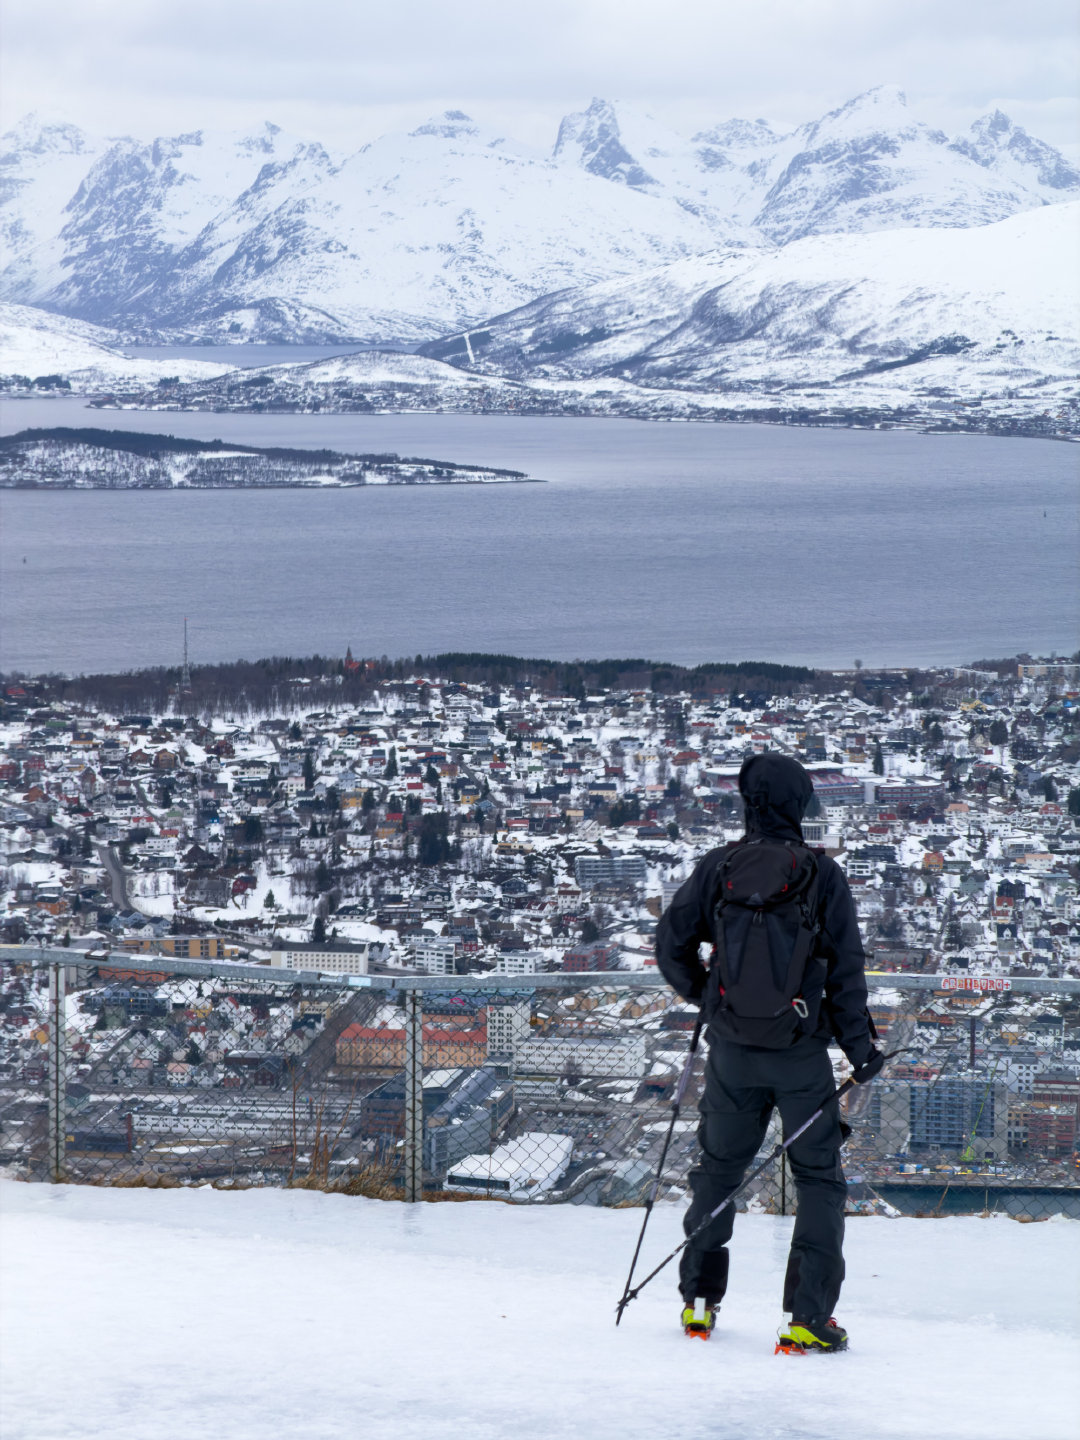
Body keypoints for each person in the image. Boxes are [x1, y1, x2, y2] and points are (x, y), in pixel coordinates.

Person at [655, 752, 883, 1352]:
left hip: (730, 1052)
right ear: (801, 804)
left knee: (719, 1172)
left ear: (748, 803)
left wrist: (709, 999)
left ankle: (699, 1303)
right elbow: (847, 976)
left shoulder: (719, 868)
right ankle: (807, 1317)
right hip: (800, 1054)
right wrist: (860, 1050)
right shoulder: (819, 876)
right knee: (818, 1181)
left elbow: (670, 944)